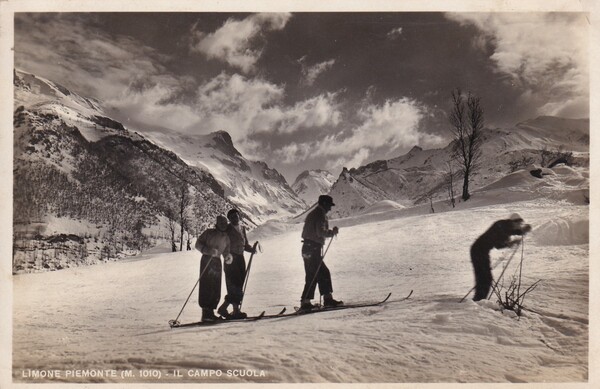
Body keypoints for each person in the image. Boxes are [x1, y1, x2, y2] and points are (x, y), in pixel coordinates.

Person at [470, 213, 532, 301]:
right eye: (518, 224)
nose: (519, 226)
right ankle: (479, 300)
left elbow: (510, 231)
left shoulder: (504, 226)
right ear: (513, 222)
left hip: (481, 251)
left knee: (486, 277)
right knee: (485, 277)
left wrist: (521, 231)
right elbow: (499, 244)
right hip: (478, 251)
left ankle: (480, 299)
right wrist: (512, 242)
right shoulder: (501, 226)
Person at [300, 195, 342, 310]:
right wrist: (332, 232)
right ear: (324, 204)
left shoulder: (314, 213)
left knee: (313, 274)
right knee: (321, 273)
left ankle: (307, 302)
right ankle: (324, 300)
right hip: (313, 248)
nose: (330, 208)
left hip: (308, 247)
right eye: (329, 205)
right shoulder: (320, 214)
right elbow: (320, 232)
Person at [217, 209, 256, 319]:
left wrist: (251, 249)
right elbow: (221, 242)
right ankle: (235, 310)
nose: (235, 218)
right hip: (231, 259)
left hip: (240, 258)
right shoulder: (227, 229)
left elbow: (245, 244)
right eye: (232, 217)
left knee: (239, 284)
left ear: (239, 216)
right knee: (234, 284)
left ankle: (224, 308)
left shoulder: (242, 228)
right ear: (229, 219)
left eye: (236, 216)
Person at [195, 215, 232, 322]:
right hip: (207, 260)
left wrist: (227, 257)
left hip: (217, 261)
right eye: (221, 223)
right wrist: (208, 250)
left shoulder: (226, 237)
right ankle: (206, 313)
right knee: (207, 285)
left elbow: (226, 251)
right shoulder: (208, 233)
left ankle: (211, 313)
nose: (223, 225)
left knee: (215, 286)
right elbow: (198, 244)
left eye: (225, 223)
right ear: (217, 224)